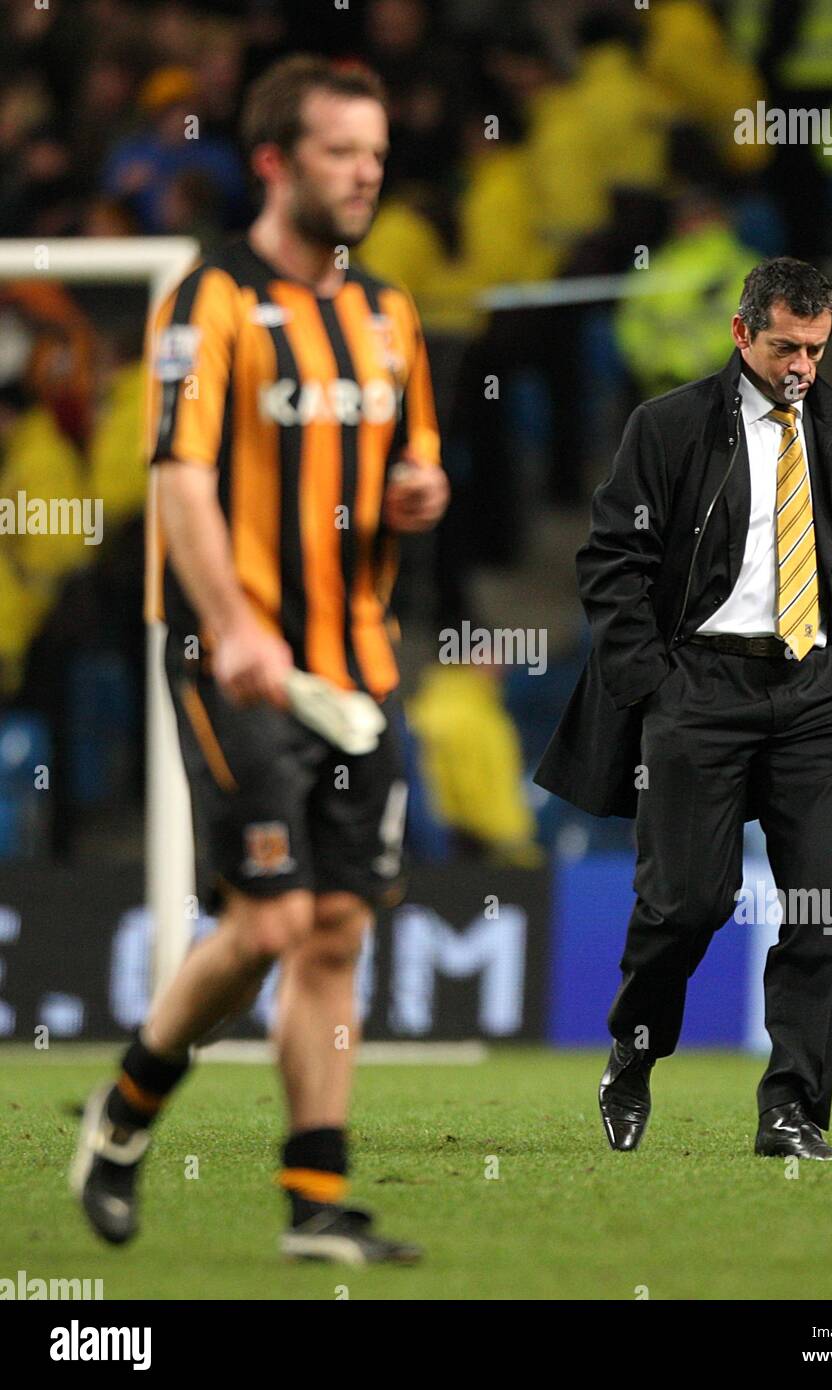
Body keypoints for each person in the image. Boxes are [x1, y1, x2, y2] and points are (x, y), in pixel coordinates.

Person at [71, 55, 449, 1265]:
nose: (365, 175)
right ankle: (124, 1116)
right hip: (234, 656)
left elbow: (416, 460)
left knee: (337, 928)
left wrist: (419, 492)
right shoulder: (207, 300)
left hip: (357, 669)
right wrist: (231, 619)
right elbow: (177, 475)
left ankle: (316, 1202)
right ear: (278, 163)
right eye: (342, 153)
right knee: (272, 920)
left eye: (377, 156)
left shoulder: (387, 313)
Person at [535, 257, 832, 1161]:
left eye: (815, 348)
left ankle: (792, 1113)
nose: (802, 366)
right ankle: (634, 1048)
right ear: (742, 334)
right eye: (785, 347)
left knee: (819, 905)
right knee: (685, 904)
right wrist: (653, 683)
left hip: (818, 693)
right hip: (700, 689)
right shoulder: (667, 428)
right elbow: (609, 562)